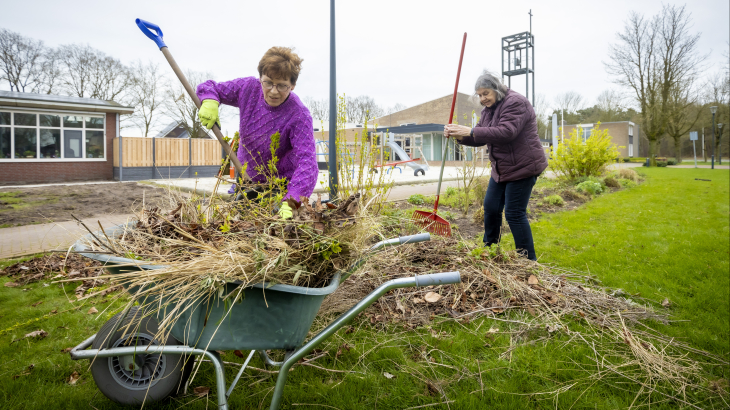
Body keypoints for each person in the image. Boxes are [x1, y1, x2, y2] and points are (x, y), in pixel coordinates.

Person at [196, 47, 317, 219]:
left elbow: (308, 163)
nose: (274, 91)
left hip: (280, 186)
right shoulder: (248, 89)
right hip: (246, 178)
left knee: (275, 233)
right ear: (260, 78)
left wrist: (293, 200)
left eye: (282, 85)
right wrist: (209, 100)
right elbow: (210, 87)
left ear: (293, 85)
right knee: (241, 227)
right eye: (268, 82)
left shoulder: (299, 115)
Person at [444, 71, 548, 260]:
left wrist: (472, 130)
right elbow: (481, 137)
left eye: (486, 93)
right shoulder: (488, 111)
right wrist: (460, 136)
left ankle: (528, 261)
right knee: (491, 208)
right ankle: (490, 252)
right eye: (480, 95)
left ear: (497, 89)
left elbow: (507, 132)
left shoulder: (516, 102)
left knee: (514, 213)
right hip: (501, 169)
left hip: (523, 166)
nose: (483, 98)